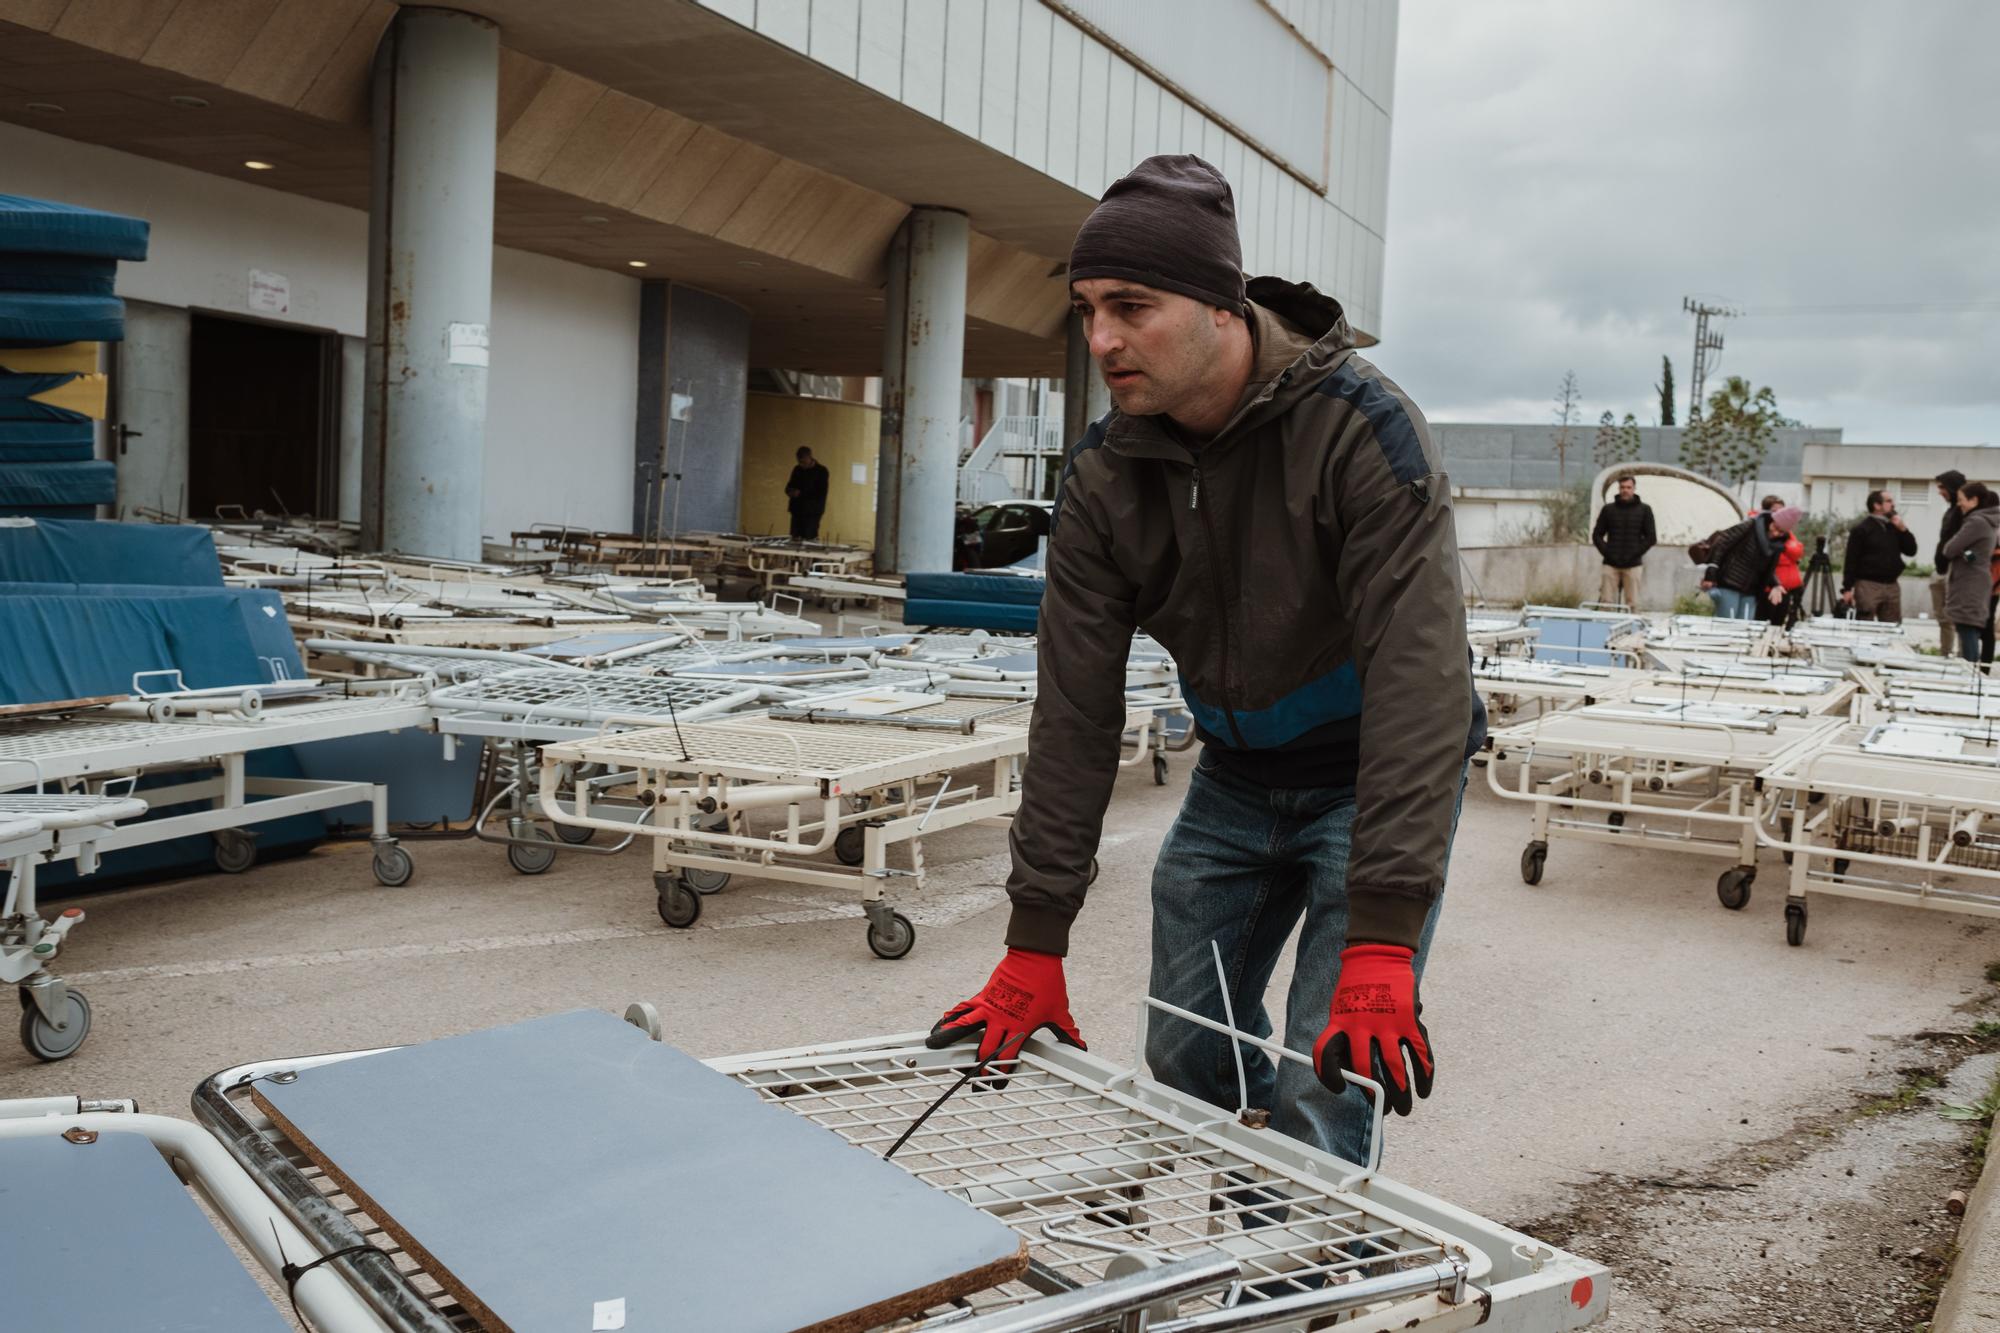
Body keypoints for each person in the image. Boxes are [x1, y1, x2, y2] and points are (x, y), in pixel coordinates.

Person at [925, 155, 1482, 1169]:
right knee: (1185, 1049)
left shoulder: (1362, 430)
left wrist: (1383, 931)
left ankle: (1309, 1265)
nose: (1101, 339)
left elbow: (1420, 674)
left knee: (1330, 1073)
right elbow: (1075, 708)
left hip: (1364, 773)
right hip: (1233, 775)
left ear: (1220, 305)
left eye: (1131, 306)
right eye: (1088, 308)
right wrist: (1033, 939)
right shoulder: (1105, 474)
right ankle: (1273, 1194)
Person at [1701, 504, 1800, 619]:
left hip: (1752, 590)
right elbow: (1722, 544)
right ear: (1772, 520)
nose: (1776, 533)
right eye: (1775, 527)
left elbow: (1767, 568)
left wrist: (1775, 584)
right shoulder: (1750, 525)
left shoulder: (1778, 544)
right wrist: (1711, 572)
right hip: (1729, 582)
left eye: (1781, 532)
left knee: (1745, 627)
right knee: (1727, 623)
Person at [1941, 481, 2000, 664]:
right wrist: (1967, 552)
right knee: (1971, 631)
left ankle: (1970, 679)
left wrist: (1963, 551)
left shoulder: (1976, 522)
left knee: (1967, 632)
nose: (1959, 504)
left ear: (1974, 500)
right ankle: (1972, 675)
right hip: (1978, 582)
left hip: (1969, 584)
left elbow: (1949, 549)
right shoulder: (1988, 522)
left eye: (1961, 499)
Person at [1840, 489, 1917, 622]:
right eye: (1888, 501)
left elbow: (1911, 550)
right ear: (1877, 505)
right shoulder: (1862, 529)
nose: (1893, 505)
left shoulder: (1894, 527)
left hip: (1892, 586)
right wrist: (1847, 588)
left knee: (1891, 627)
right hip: (1868, 586)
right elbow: (1851, 560)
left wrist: (1903, 530)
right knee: (1865, 624)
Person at [1590, 474, 1655, 609]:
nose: (1625, 490)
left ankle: (1634, 629)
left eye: (1628, 487)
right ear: (1618, 489)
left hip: (1633, 565)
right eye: (1622, 487)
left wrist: (1635, 554)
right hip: (1610, 564)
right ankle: (1604, 627)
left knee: (1633, 603)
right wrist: (1608, 553)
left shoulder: (1644, 510)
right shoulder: (1608, 510)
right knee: (1606, 602)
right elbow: (1597, 535)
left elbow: (1651, 538)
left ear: (1634, 488)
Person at [1931, 470, 1967, 653]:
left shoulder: (1965, 513)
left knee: (1960, 618)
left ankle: (1963, 659)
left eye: (1942, 488)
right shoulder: (1951, 510)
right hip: (1942, 570)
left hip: (1956, 571)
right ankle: (1945, 653)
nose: (1940, 492)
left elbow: (1968, 546)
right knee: (1943, 617)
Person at [1753, 496, 1805, 626]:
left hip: (1786, 587)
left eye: (1782, 510)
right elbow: (1772, 556)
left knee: (1778, 624)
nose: (1780, 514)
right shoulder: (1760, 528)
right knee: (1763, 624)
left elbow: (1797, 552)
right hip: (1768, 587)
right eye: (1775, 511)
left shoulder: (1785, 532)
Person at [783, 446, 829, 541]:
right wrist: (790, 491)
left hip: (812, 512)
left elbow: (821, 493)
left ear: (809, 457)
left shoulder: (821, 471)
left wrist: (800, 494)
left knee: (809, 539)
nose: (801, 464)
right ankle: (795, 556)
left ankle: (809, 555)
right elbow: (788, 486)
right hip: (797, 510)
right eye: (799, 462)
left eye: (803, 462)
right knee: (795, 538)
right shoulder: (797, 469)